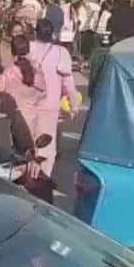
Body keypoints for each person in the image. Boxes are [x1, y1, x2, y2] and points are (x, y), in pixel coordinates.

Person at [27, 18, 81, 176]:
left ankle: (26, 175)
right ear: (53, 34)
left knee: (27, 142)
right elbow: (68, 83)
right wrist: (74, 105)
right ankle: (42, 177)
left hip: (27, 103)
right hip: (50, 106)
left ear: (35, 32)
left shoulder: (28, 49)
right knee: (46, 146)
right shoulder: (60, 52)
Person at [2, 34, 47, 130]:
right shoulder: (37, 70)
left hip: (17, 123)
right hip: (37, 120)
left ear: (11, 51)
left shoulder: (8, 73)